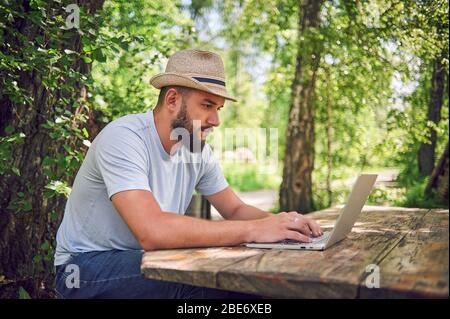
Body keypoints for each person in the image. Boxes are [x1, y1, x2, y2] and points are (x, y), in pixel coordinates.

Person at [54, 49, 322, 299]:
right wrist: (254, 230)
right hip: (84, 267)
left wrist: (284, 225)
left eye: (218, 109)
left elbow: (236, 209)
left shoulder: (196, 150)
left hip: (148, 257)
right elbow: (153, 231)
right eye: (207, 105)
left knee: (244, 270)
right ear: (172, 99)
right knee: (214, 281)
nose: (216, 120)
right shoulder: (124, 138)